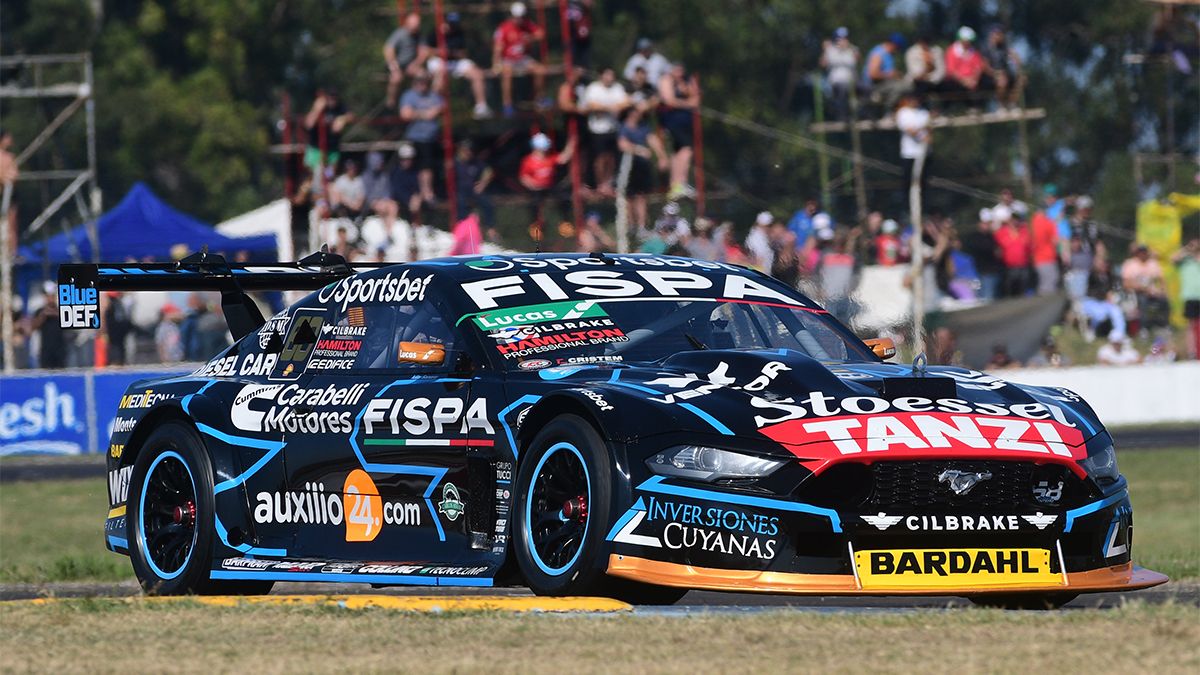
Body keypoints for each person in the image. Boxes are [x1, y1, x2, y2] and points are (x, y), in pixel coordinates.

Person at [425, 11, 492, 119]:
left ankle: (481, 107)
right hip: (439, 61)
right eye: (450, 24)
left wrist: (453, 53)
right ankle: (434, 106)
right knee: (440, 75)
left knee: (477, 74)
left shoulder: (460, 32)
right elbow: (427, 51)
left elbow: (463, 52)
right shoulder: (436, 32)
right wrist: (440, 52)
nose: (452, 26)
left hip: (455, 61)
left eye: (454, 24)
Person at [617, 106, 668, 232]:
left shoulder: (644, 127)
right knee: (629, 196)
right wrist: (638, 150)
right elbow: (622, 144)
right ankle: (630, 225)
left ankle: (641, 226)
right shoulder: (623, 127)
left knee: (641, 196)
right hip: (628, 168)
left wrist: (662, 157)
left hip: (643, 167)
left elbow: (653, 141)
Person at [492, 2, 546, 117]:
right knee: (507, 73)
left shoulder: (527, 25)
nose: (519, 20)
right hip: (508, 60)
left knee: (540, 70)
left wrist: (530, 38)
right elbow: (498, 48)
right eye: (517, 17)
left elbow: (541, 34)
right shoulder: (504, 28)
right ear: (512, 16)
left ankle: (539, 99)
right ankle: (507, 104)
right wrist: (496, 64)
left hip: (523, 59)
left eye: (521, 17)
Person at [583, 67, 630, 196]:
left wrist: (606, 108)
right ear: (601, 76)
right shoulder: (593, 88)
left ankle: (607, 184)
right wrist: (610, 108)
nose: (610, 78)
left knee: (611, 158)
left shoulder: (617, 88)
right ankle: (599, 183)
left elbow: (626, 102)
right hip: (597, 130)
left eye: (612, 75)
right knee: (600, 158)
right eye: (607, 75)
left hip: (613, 128)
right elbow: (592, 105)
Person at [399, 73, 445, 205]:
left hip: (430, 139)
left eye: (425, 82)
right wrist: (425, 114)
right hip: (414, 138)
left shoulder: (434, 96)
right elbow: (405, 114)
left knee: (428, 167)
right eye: (420, 82)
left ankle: (427, 193)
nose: (423, 85)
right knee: (412, 166)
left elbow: (441, 107)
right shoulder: (409, 95)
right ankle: (414, 193)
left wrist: (420, 113)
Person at [519, 133, 576, 239]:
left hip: (549, 187)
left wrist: (571, 144)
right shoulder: (528, 161)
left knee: (563, 199)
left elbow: (563, 158)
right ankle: (535, 227)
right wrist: (533, 185)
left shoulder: (549, 158)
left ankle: (565, 223)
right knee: (535, 204)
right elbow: (524, 177)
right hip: (536, 189)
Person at [657, 62, 700, 201]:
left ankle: (677, 185)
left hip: (686, 123)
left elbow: (696, 99)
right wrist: (686, 103)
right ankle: (679, 182)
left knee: (679, 152)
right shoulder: (666, 80)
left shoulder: (687, 81)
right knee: (685, 150)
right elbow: (669, 101)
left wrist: (683, 97)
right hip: (671, 122)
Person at [303, 89, 354, 174]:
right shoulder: (320, 107)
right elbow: (309, 124)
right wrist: (316, 109)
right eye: (330, 98)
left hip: (332, 150)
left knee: (329, 176)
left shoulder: (340, 107)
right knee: (314, 175)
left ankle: (326, 180)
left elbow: (351, 116)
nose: (332, 101)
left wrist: (343, 119)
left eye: (335, 98)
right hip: (316, 149)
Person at [1122, 244, 1169, 332]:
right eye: (1141, 252)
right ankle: (1143, 328)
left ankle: (1164, 325)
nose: (1143, 254)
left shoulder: (1153, 263)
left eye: (1145, 252)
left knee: (1164, 300)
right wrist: (1143, 289)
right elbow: (1126, 283)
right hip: (1137, 293)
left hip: (1152, 292)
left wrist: (1162, 290)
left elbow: (1161, 279)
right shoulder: (1130, 264)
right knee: (1143, 302)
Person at [384, 12, 427, 108]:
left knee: (422, 74)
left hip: (410, 65)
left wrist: (416, 63)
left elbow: (423, 52)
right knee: (396, 78)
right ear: (408, 24)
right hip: (396, 65)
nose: (415, 29)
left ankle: (418, 100)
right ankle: (391, 101)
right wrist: (394, 66)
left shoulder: (419, 35)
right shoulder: (399, 34)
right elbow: (388, 49)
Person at [454, 142, 496, 240]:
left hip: (474, 191)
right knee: (461, 205)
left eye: (469, 151)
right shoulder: (454, 164)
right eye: (465, 151)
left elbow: (489, 171)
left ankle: (490, 229)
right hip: (459, 192)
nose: (468, 153)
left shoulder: (475, 162)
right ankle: (462, 232)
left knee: (487, 204)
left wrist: (482, 184)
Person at [896, 94, 931, 206]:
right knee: (908, 182)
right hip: (909, 153)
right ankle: (906, 206)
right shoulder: (903, 113)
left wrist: (926, 136)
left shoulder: (924, 113)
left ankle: (923, 205)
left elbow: (929, 130)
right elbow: (910, 130)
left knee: (923, 182)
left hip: (924, 153)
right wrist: (922, 135)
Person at [862, 33, 909, 110]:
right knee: (901, 87)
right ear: (894, 45)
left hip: (884, 83)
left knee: (907, 84)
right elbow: (872, 74)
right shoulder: (879, 52)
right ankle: (887, 110)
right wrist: (890, 75)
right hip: (873, 85)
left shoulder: (889, 55)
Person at [821, 27, 859, 121]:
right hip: (836, 82)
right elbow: (822, 64)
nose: (842, 40)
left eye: (845, 38)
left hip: (851, 81)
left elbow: (857, 59)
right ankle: (842, 116)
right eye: (840, 38)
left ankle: (862, 114)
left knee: (866, 89)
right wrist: (825, 50)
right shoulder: (830, 50)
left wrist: (849, 48)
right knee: (842, 90)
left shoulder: (852, 49)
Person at [944, 26, 991, 100]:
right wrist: (964, 80)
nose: (969, 43)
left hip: (972, 81)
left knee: (986, 81)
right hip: (957, 81)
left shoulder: (974, 52)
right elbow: (951, 70)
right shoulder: (951, 51)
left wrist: (974, 79)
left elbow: (978, 67)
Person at [963, 209, 1002, 299]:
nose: (988, 225)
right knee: (987, 297)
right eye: (986, 223)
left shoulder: (991, 236)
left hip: (993, 271)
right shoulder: (975, 237)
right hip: (983, 272)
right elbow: (984, 249)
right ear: (980, 223)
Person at [981, 25, 1023, 108]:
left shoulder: (1005, 47)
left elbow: (1015, 58)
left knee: (1022, 79)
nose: (999, 37)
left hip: (1005, 74)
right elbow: (984, 66)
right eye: (996, 34)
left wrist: (1017, 64)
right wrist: (995, 73)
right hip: (991, 76)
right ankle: (1001, 105)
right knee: (1002, 81)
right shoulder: (986, 49)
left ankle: (1012, 104)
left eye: (1000, 34)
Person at [1171, 239, 1200, 359]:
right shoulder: (1184, 261)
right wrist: (1187, 248)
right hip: (1190, 296)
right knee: (1191, 326)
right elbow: (1173, 258)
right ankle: (1192, 352)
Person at [994, 211, 1032, 297]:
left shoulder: (1025, 231)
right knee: (1010, 287)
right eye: (1013, 220)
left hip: (1023, 264)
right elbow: (996, 247)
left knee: (1023, 286)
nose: (1015, 222)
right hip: (1008, 266)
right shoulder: (1001, 232)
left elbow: (1030, 247)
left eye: (1017, 220)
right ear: (1009, 221)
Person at [29, 288, 66, 369]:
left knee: (61, 372)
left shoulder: (62, 309)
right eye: (48, 297)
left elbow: (68, 323)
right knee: (45, 372)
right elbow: (32, 328)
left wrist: (55, 314)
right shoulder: (40, 311)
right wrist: (43, 316)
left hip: (60, 349)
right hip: (45, 349)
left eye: (52, 296)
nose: (50, 299)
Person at [1030, 198, 1060, 295]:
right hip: (1048, 257)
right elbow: (1055, 240)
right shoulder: (1048, 222)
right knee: (1050, 283)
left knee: (1043, 284)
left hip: (1036, 258)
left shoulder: (1032, 222)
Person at [362, 152, 399, 233]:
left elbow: (387, 192)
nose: (380, 163)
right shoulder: (365, 177)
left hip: (383, 201)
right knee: (381, 207)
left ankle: (390, 231)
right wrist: (376, 202)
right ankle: (384, 232)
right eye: (378, 161)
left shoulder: (384, 176)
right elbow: (366, 195)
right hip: (371, 203)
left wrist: (385, 200)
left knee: (393, 206)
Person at [391, 144, 424, 222]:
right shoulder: (395, 173)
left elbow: (418, 188)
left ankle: (416, 227)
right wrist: (409, 199)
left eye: (409, 159)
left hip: (414, 201)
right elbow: (396, 191)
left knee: (416, 203)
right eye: (404, 159)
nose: (406, 161)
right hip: (399, 200)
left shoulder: (416, 172)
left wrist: (417, 196)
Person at [103, 292, 134, 366]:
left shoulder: (115, 304)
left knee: (116, 348)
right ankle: (117, 362)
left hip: (116, 333)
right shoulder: (116, 304)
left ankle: (117, 363)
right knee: (116, 348)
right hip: (116, 333)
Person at [565, 0, 594, 71]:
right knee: (572, 59)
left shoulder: (582, 7)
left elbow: (590, 4)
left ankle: (582, 76)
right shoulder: (569, 4)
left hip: (583, 36)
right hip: (571, 35)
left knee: (583, 62)